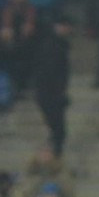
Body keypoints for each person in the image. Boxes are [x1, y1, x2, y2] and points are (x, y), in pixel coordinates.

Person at [32, 13, 71, 156]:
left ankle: (55, 155)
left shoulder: (56, 44)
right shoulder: (52, 45)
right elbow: (50, 71)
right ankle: (54, 155)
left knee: (57, 129)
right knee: (57, 128)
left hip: (51, 92)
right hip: (50, 92)